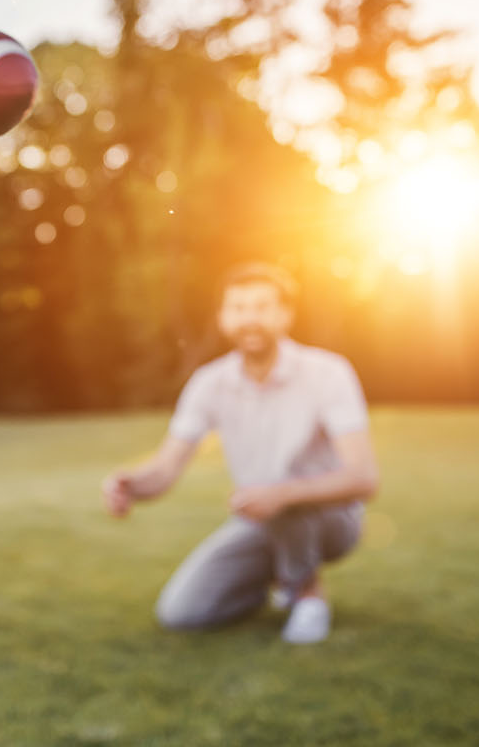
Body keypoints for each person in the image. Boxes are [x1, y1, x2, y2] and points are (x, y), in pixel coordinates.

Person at [102, 262, 378, 644]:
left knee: (284, 493)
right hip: (258, 520)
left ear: (286, 315)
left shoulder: (328, 373)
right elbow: (166, 469)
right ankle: (271, 579)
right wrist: (132, 485)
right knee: (181, 613)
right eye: (238, 308)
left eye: (262, 307)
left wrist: (281, 494)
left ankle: (306, 593)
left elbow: (364, 479)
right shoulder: (209, 384)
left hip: (332, 521)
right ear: (222, 317)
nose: (250, 319)